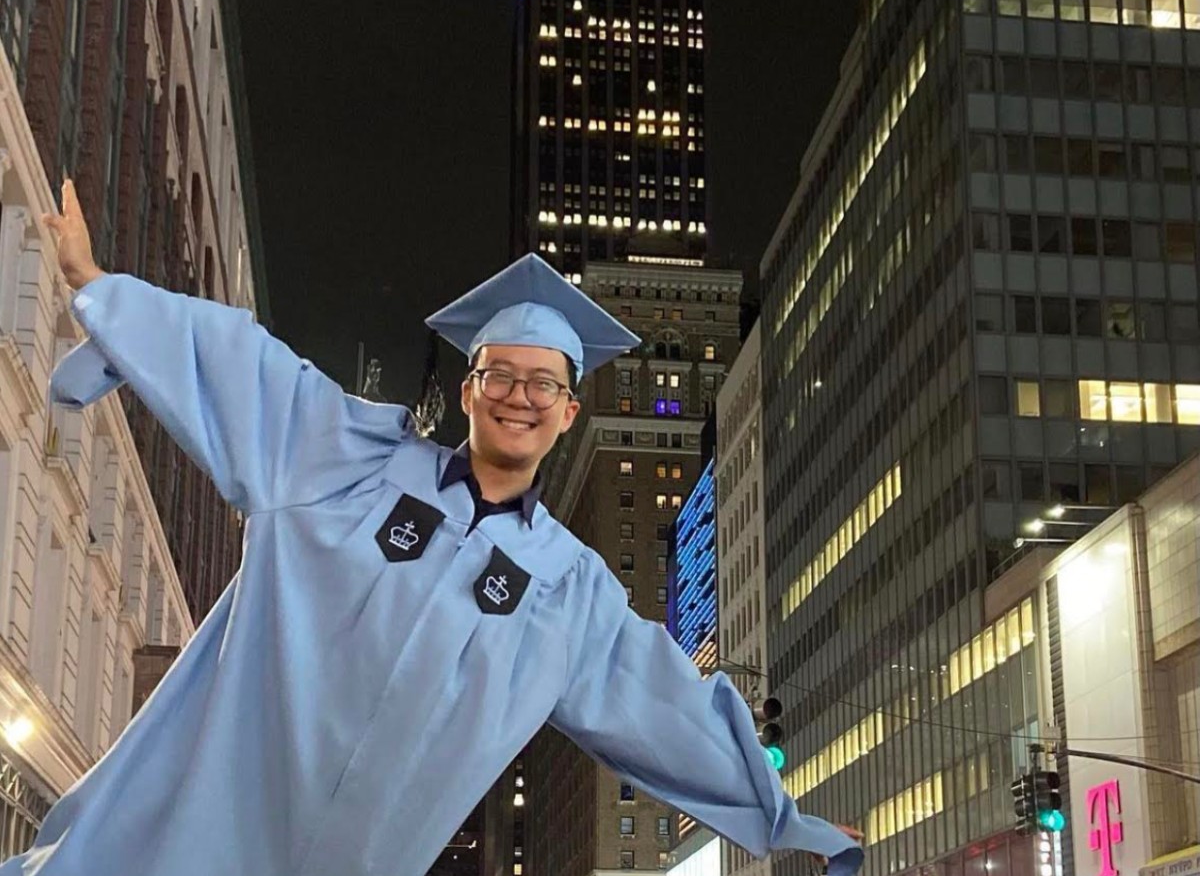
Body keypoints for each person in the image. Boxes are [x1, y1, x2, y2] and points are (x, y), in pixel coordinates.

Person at [2, 179, 864, 876]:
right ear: (467, 388)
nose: (519, 396)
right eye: (500, 374)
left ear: (570, 412)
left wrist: (782, 814)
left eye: (544, 384)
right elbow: (250, 368)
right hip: (214, 823)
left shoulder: (567, 591)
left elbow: (665, 703)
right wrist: (96, 285)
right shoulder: (350, 464)